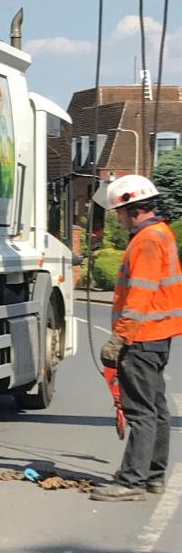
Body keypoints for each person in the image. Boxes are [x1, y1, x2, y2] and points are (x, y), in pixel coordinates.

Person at [91, 175, 182, 502]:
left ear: (132, 208)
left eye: (119, 212)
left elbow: (139, 296)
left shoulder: (145, 241)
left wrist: (120, 339)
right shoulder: (162, 233)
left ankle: (131, 482)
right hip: (158, 337)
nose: (117, 217)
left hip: (141, 339)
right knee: (156, 408)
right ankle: (152, 476)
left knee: (140, 412)